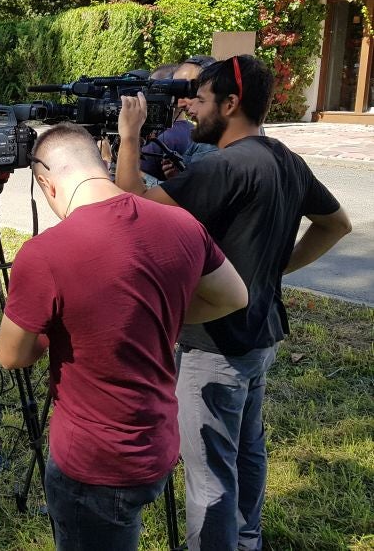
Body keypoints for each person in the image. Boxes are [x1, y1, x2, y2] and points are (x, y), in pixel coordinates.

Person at [116, 55, 352, 551]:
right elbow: (335, 224)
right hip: (260, 334)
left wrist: (130, 138)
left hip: (215, 345)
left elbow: (128, 209)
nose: (192, 110)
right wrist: (275, 268)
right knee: (247, 451)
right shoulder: (282, 157)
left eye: (200, 100)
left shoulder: (226, 165)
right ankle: (247, 540)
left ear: (230, 103)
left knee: (209, 472)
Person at [0, 123, 247, 550]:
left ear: (46, 182)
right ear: (103, 164)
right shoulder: (182, 224)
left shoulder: (46, 253)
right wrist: (154, 318)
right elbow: (234, 295)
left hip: (93, 463)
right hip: (159, 442)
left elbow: (12, 356)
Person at [140, 55, 217, 181]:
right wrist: (176, 178)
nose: (179, 103)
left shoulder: (218, 147)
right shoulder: (200, 141)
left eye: (187, 91)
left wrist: (129, 141)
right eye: (176, 92)